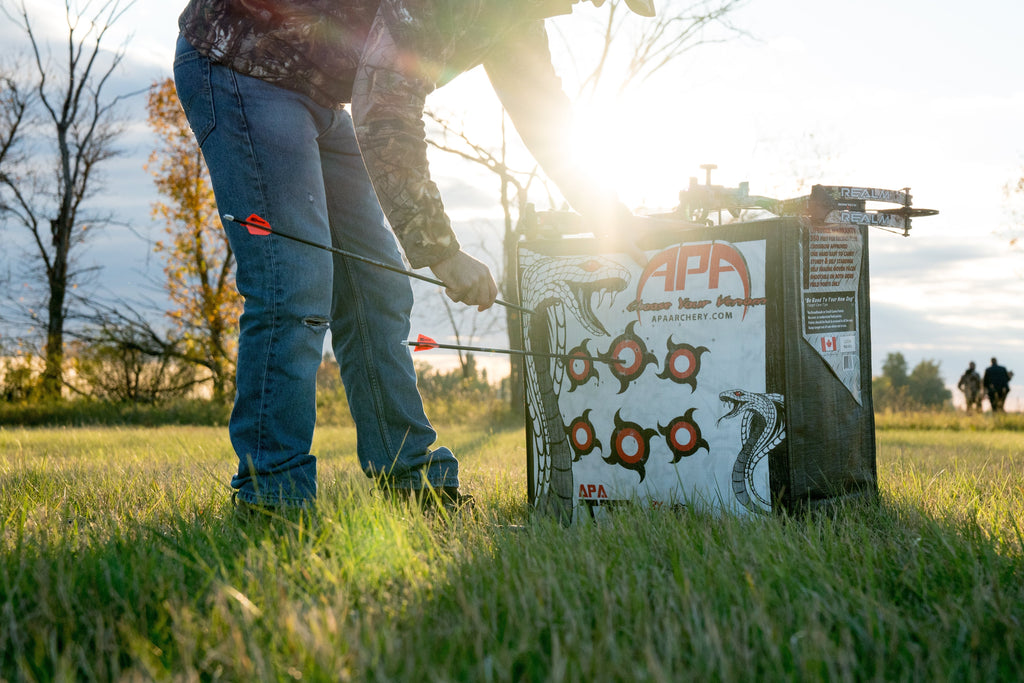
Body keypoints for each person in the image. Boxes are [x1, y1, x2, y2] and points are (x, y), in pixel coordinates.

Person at [173, 0, 654, 512]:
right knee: (293, 281)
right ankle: (272, 493)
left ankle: (409, 478)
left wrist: (611, 216)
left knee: (377, 291)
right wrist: (442, 251)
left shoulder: (516, 18)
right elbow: (385, 111)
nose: (590, 4)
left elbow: (546, 121)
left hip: (318, 93)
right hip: (240, 63)